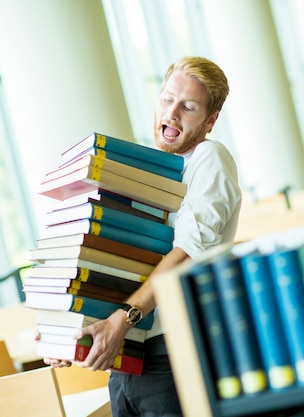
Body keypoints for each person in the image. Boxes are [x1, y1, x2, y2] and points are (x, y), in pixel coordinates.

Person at [41, 56, 242, 417]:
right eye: (167, 99)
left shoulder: (210, 157)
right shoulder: (155, 176)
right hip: (127, 360)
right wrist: (69, 332)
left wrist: (122, 318)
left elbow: (187, 252)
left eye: (188, 106)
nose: (173, 112)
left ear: (210, 120)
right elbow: (120, 266)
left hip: (175, 354)